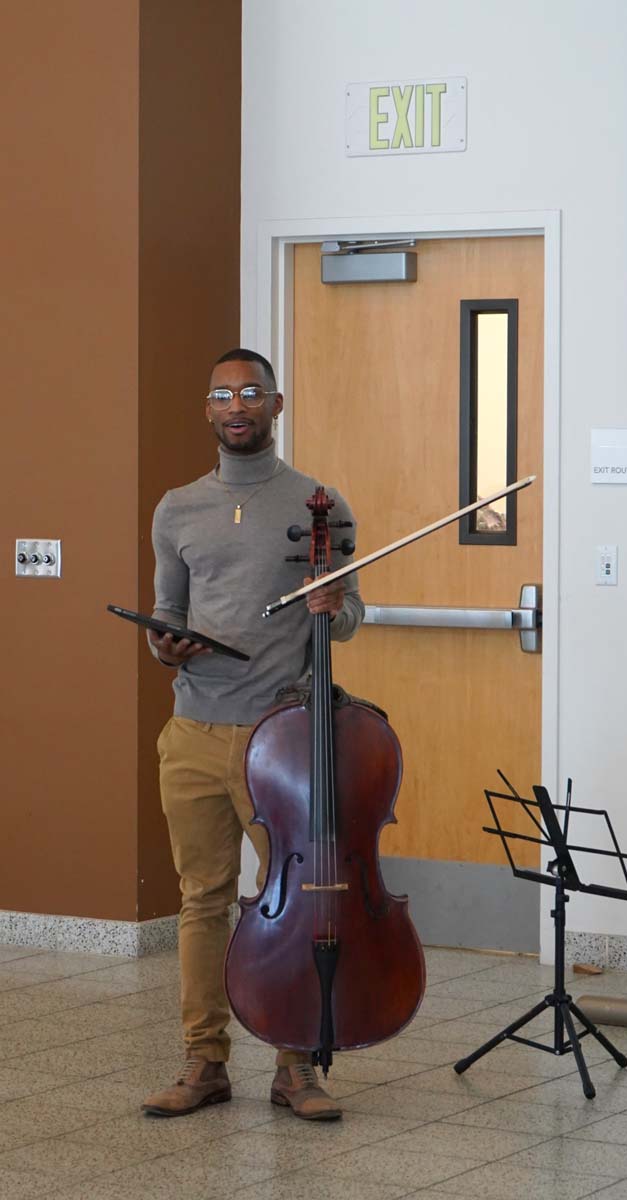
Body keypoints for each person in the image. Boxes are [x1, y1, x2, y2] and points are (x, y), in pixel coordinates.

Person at [141, 348, 363, 1121]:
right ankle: (204, 1062)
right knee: (202, 900)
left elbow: (353, 616)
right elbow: (167, 611)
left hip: (282, 738)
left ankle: (296, 1067)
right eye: (223, 394)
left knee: (293, 901)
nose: (237, 405)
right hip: (195, 729)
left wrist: (337, 604)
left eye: (252, 394)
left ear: (276, 405)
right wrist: (163, 643)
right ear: (208, 409)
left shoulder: (318, 504)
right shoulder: (177, 509)